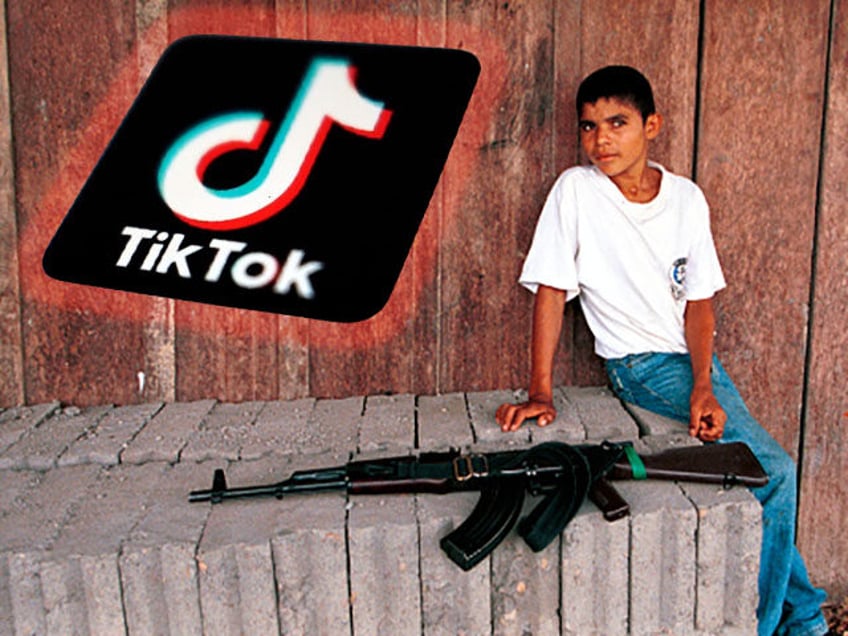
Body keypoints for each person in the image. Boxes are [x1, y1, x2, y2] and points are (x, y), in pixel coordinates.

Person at [495, 65, 830, 636]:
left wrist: (703, 382)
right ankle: (782, 625)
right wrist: (540, 390)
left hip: (694, 364)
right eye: (589, 126)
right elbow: (551, 292)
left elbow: (699, 305)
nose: (601, 139)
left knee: (763, 477)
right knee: (773, 470)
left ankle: (800, 615)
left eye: (618, 123)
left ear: (652, 125)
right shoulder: (576, 192)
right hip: (640, 366)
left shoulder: (686, 200)